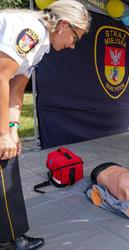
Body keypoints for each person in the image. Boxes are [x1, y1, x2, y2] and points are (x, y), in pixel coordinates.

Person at [0, 1, 91, 248]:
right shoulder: (31, 31)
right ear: (63, 25)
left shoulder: (41, 47)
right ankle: (11, 238)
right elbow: (0, 75)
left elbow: (16, 89)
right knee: (4, 164)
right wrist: (2, 134)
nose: (73, 45)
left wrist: (13, 129)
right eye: (75, 37)